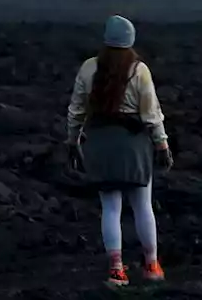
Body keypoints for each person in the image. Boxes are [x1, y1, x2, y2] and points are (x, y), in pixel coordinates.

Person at [64, 15, 174, 287]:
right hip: (134, 144)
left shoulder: (89, 68)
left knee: (110, 209)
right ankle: (151, 266)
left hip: (100, 144)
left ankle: (116, 271)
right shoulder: (139, 70)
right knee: (142, 206)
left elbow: (76, 111)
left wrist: (73, 142)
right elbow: (151, 114)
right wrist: (162, 145)